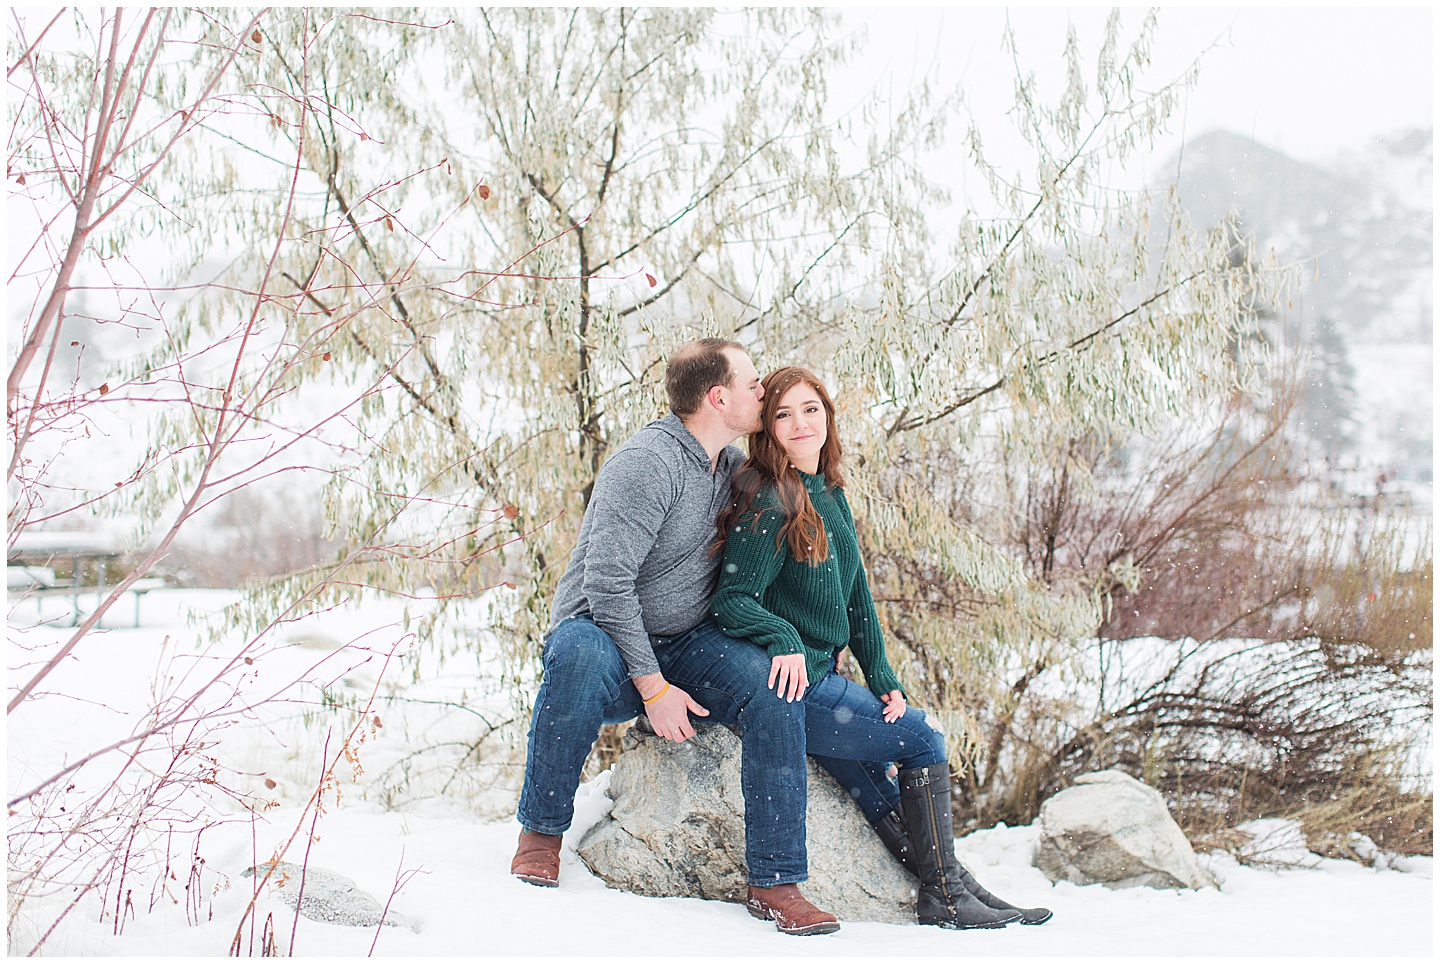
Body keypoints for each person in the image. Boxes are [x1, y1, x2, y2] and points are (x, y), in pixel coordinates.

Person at [511, 339, 840, 937]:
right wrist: (654, 688)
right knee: (577, 651)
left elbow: (791, 528)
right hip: (606, 643)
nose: (761, 392)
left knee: (775, 688)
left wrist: (801, 640)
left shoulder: (732, 469)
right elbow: (607, 587)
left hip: (688, 641)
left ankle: (775, 882)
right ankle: (541, 834)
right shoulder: (646, 464)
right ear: (719, 397)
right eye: (752, 384)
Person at [710, 366, 1053, 930]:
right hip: (794, 687)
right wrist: (786, 637)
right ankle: (945, 895)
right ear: (766, 427)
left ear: (828, 415)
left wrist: (884, 676)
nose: (801, 423)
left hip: (825, 678)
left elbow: (857, 596)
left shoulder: (827, 489)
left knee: (872, 781)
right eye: (783, 413)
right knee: (922, 739)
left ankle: (958, 887)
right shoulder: (768, 498)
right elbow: (733, 599)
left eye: (811, 408)